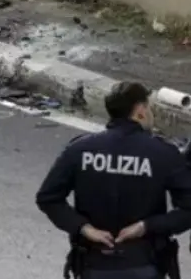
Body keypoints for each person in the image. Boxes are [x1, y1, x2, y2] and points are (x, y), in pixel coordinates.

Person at [36, 81, 191, 279]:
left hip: (93, 262)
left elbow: (48, 198)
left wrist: (84, 228)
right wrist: (147, 226)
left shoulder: (79, 149)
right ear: (140, 110)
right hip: (145, 262)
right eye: (149, 107)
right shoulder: (162, 153)